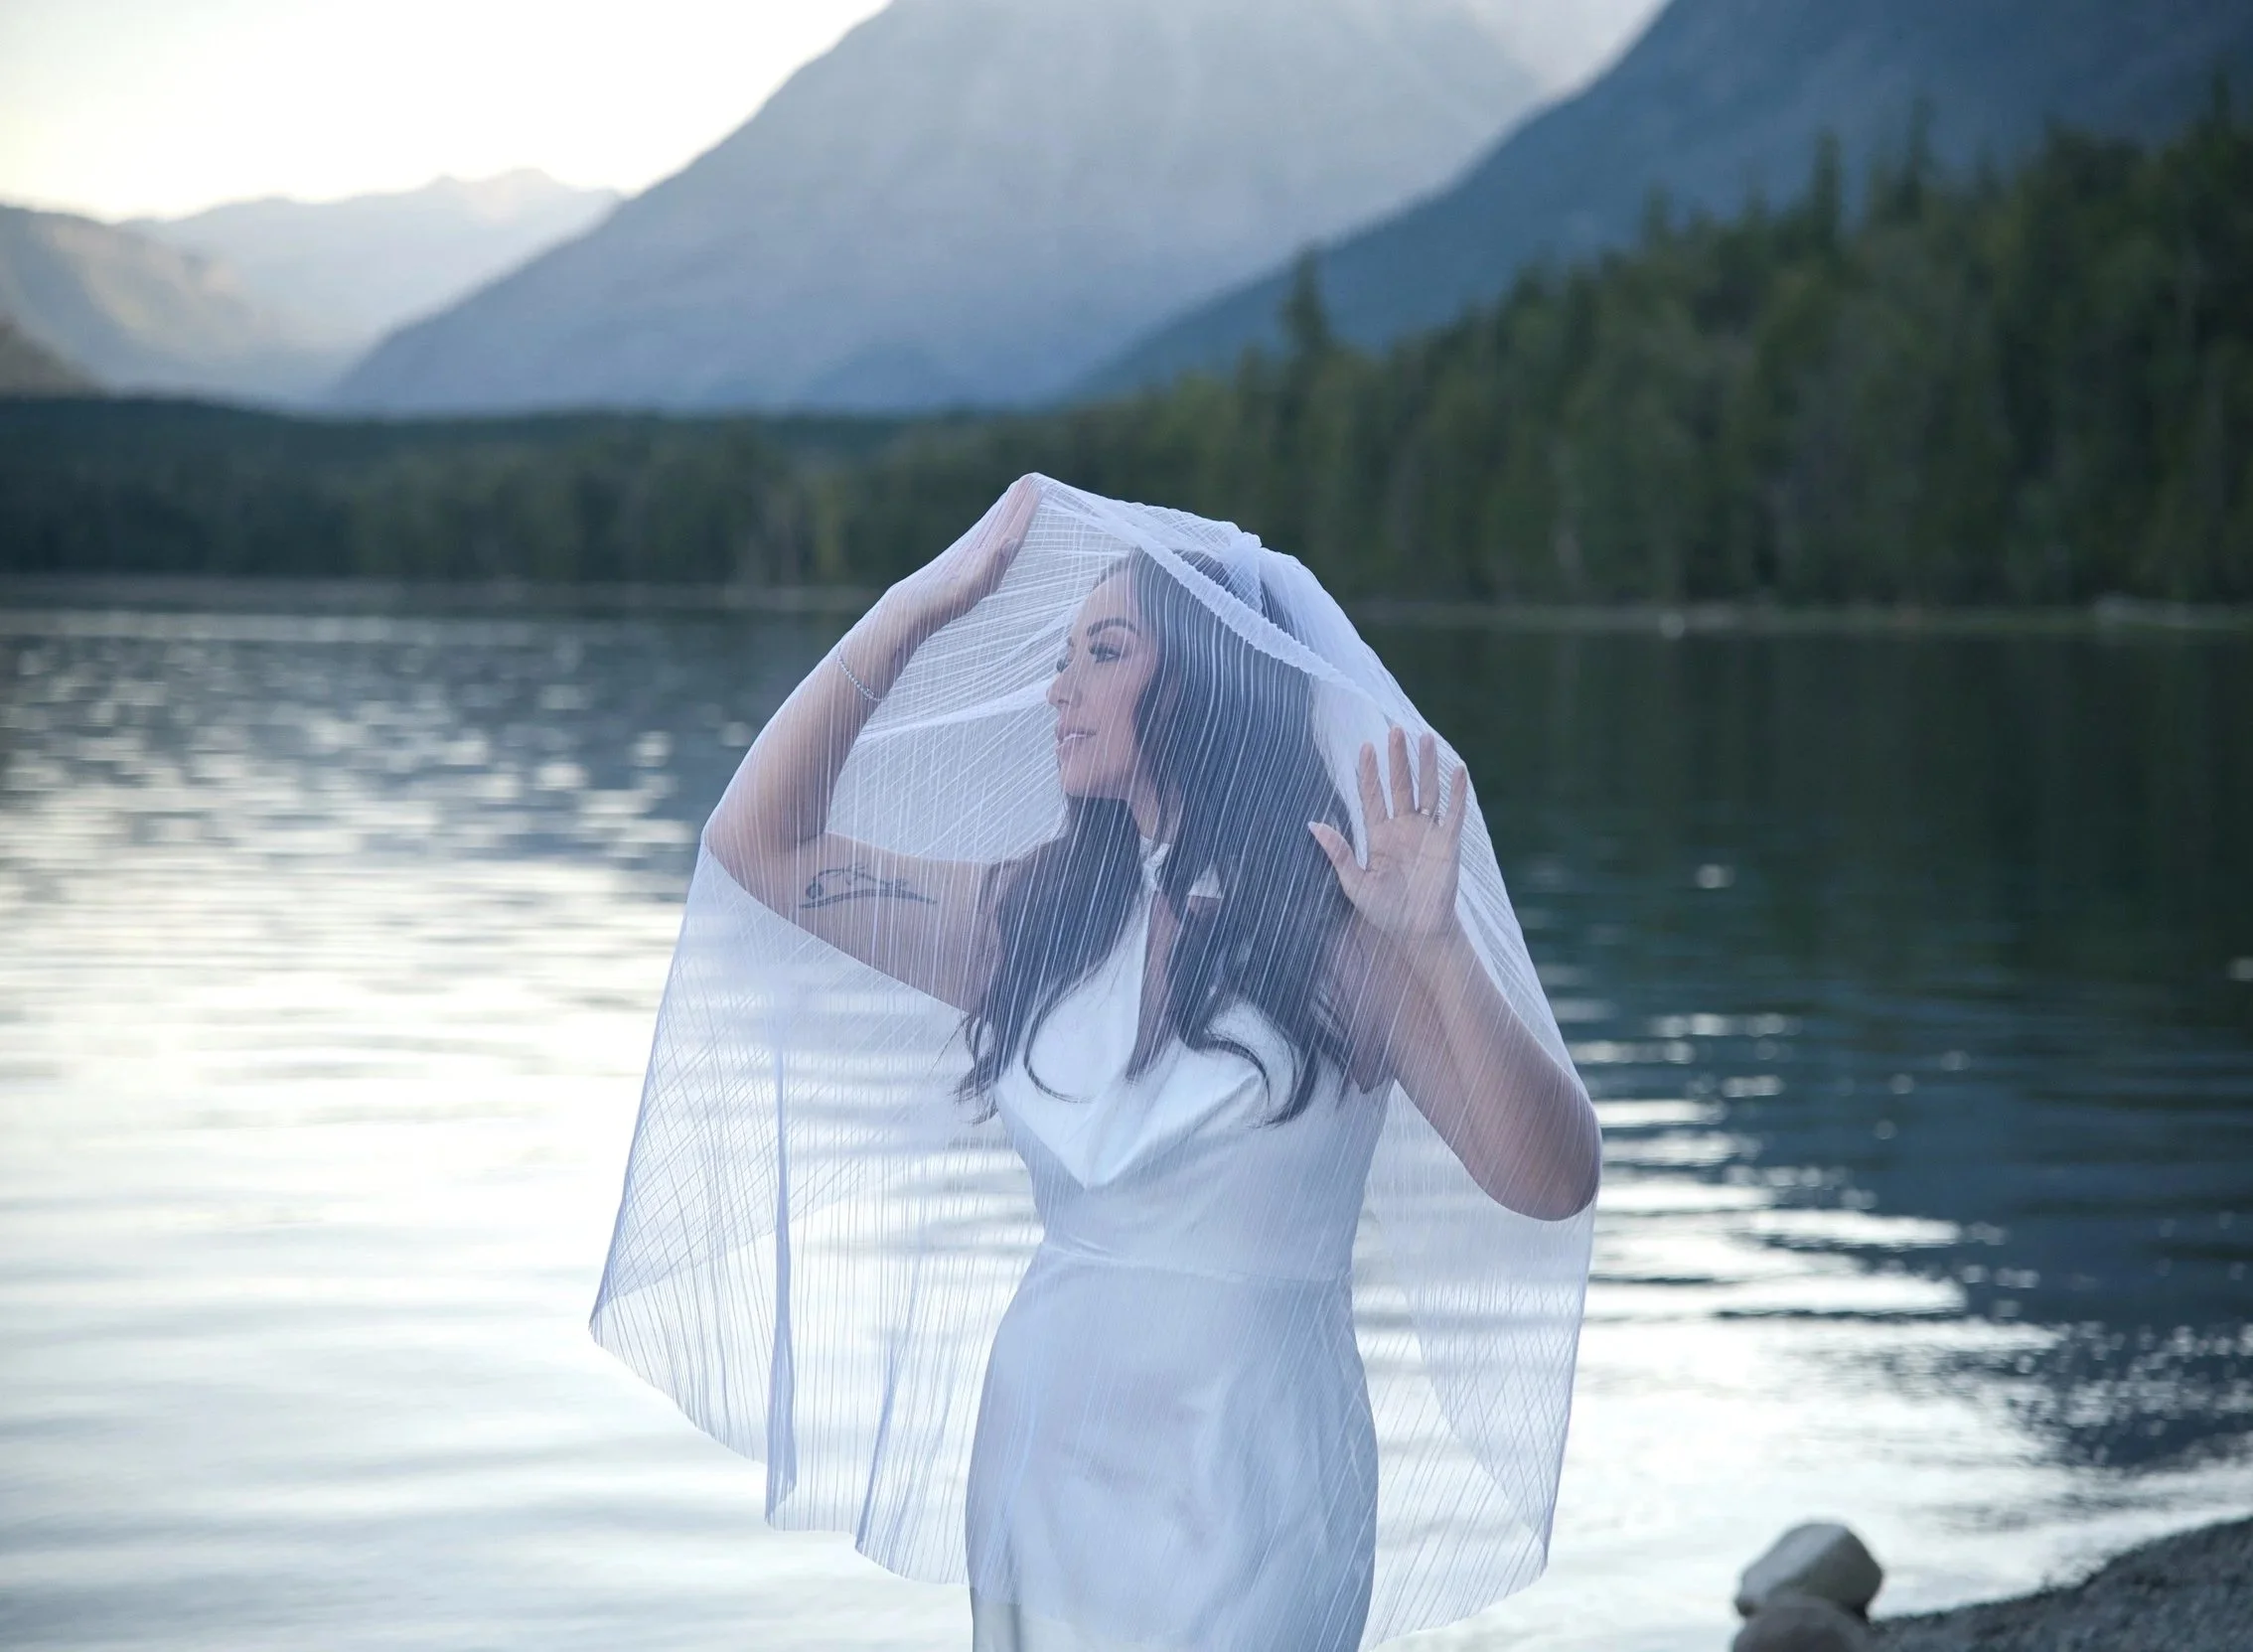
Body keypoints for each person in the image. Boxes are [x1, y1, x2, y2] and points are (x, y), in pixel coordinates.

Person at [592, 476, 1601, 1652]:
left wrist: (1437, 951)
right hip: (1043, 1453)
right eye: (1061, 655)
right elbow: (755, 844)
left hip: (1248, 1474)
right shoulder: (1039, 917)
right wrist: (916, 609)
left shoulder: (1345, 938)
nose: (1058, 687)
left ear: (1206, 685)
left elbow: (1552, 1179)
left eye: (1104, 652)